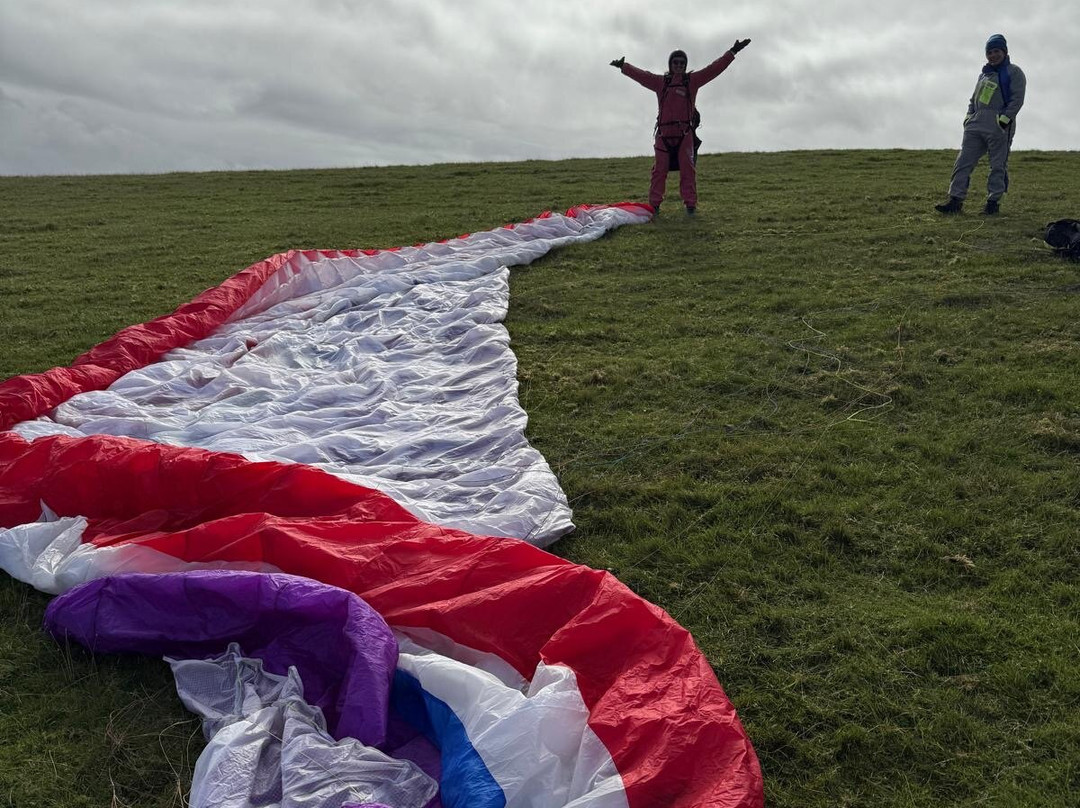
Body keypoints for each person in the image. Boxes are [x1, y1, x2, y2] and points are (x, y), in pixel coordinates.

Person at [611, 40, 751, 216]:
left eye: (682, 63)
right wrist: (624, 66)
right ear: (670, 64)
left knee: (688, 171)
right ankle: (654, 206)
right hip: (663, 135)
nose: (678, 65)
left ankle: (690, 205)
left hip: (684, 135)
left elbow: (713, 69)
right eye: (675, 62)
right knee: (659, 171)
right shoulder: (660, 82)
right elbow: (643, 76)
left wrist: (732, 52)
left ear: (685, 65)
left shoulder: (692, 81)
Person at [935, 34, 1026, 216]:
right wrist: (969, 118)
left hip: (998, 127)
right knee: (963, 162)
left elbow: (1017, 99)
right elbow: (973, 99)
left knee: (997, 165)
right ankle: (955, 200)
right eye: (989, 52)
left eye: (996, 51)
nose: (993, 55)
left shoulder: (1014, 72)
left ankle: (993, 203)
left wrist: (1003, 120)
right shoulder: (983, 75)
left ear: (1005, 52)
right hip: (975, 126)